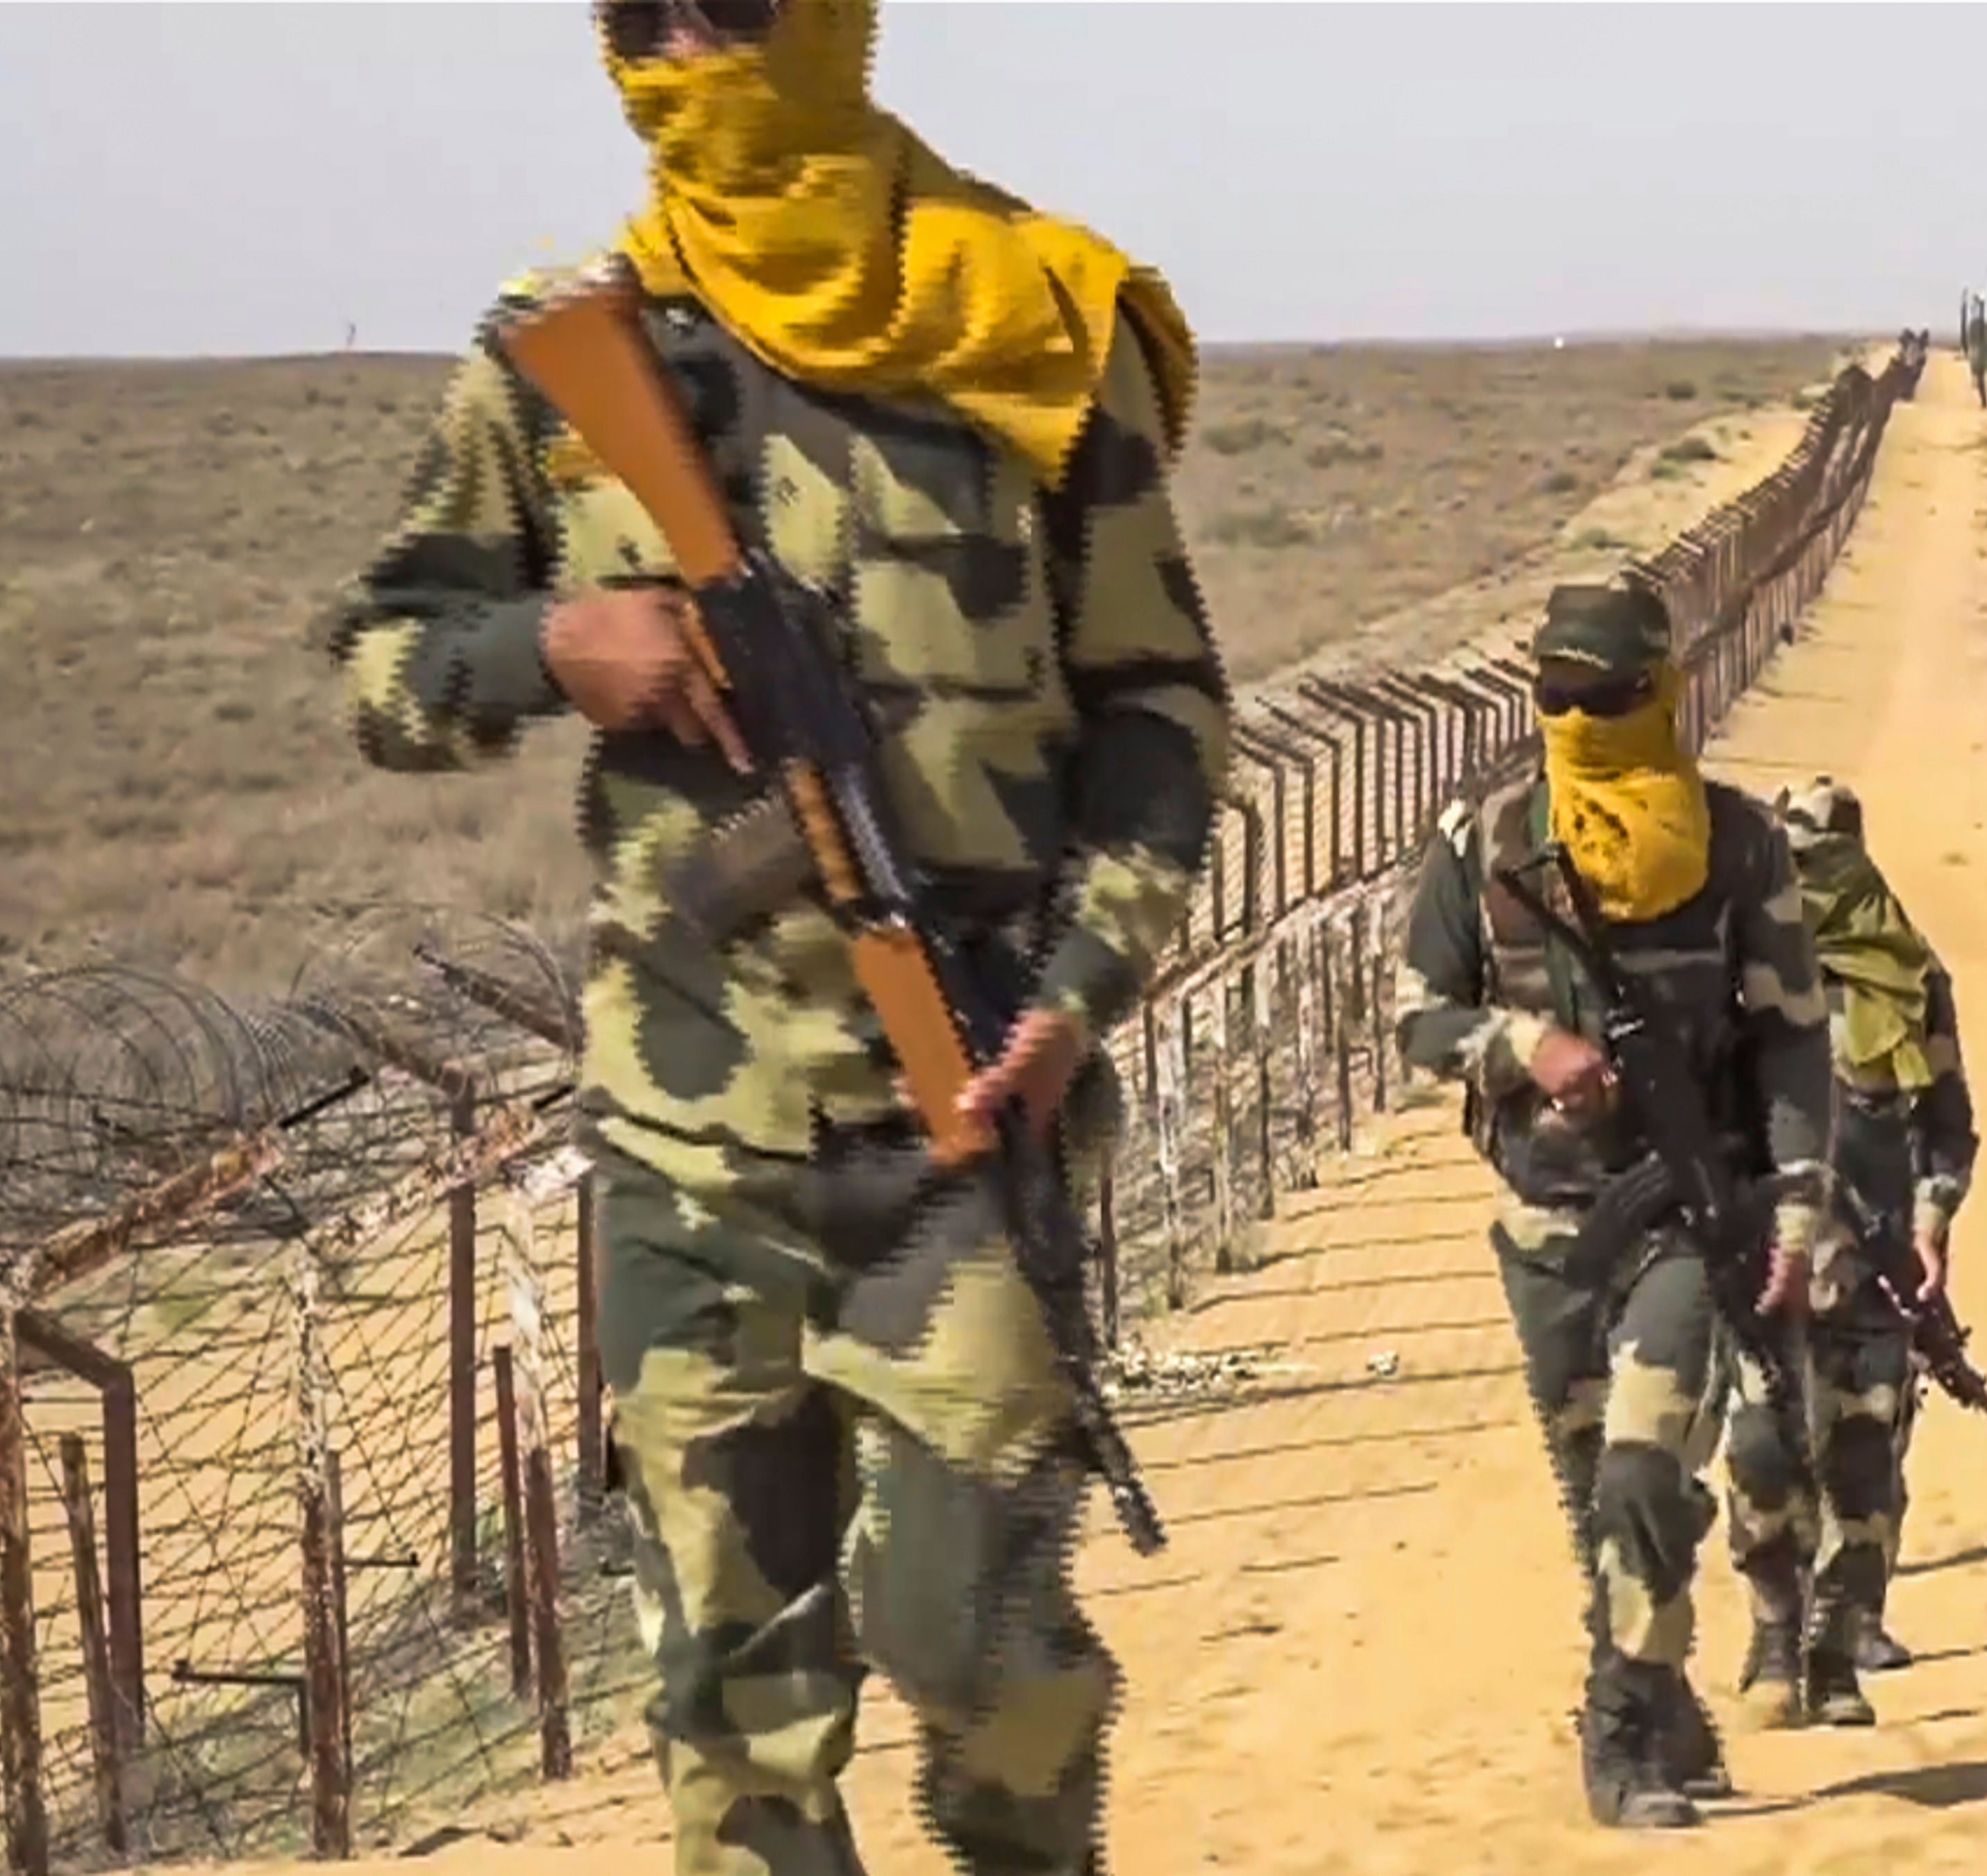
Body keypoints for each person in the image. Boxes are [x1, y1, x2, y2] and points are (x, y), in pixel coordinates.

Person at [317, 4, 1229, 1871]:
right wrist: (551, 650)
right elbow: (384, 666)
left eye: (728, 5)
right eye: (637, 15)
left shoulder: (1032, 325)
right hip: (684, 1144)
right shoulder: (556, 356)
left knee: (977, 1638)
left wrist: (1078, 996)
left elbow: (1160, 709)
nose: (682, 48)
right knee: (732, 1712)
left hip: (964, 1118)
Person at [1390, 579, 1832, 1832]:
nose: (1582, 717)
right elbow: (1418, 1018)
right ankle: (1669, 1699)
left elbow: (1796, 1043)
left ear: (1664, 690)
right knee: (1605, 1511)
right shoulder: (1488, 846)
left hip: (1692, 1221)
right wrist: (1518, 1043)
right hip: (1548, 1232)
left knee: (1646, 1474)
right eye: (1561, 696)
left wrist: (1795, 1200)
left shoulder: (1738, 845)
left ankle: (1622, 1738)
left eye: (1611, 695)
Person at [1720, 778, 1980, 1731]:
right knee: (1759, 1460)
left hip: (1874, 1278)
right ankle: (1772, 1632)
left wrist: (1931, 1219)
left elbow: (1946, 1124)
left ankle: (1835, 1655)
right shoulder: (1739, 977)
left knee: (1864, 1478)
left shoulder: (1909, 978)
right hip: (1768, 1269)